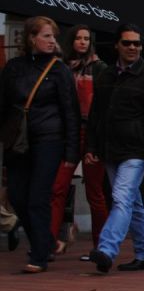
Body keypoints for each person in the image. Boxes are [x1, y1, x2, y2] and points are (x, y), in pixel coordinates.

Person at [85, 23, 144, 274]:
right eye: (127, 43)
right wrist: (91, 146)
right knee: (133, 203)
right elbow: (96, 115)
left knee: (121, 198)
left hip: (137, 151)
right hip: (111, 150)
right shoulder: (106, 76)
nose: (133, 47)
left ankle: (107, 250)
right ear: (117, 45)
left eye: (137, 43)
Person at [0, 16, 78, 273]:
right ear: (32, 38)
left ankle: (39, 255)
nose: (51, 41)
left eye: (53, 37)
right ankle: (47, 241)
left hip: (49, 139)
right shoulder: (13, 67)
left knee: (37, 198)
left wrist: (71, 151)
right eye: (46, 36)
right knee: (17, 197)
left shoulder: (59, 70)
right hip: (17, 139)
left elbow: (70, 111)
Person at [51, 25, 110, 259]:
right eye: (79, 38)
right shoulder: (62, 68)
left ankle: (101, 247)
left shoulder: (100, 68)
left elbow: (103, 108)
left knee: (95, 193)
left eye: (87, 38)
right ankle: (50, 243)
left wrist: (97, 142)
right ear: (71, 41)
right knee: (57, 188)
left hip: (91, 133)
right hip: (67, 133)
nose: (83, 42)